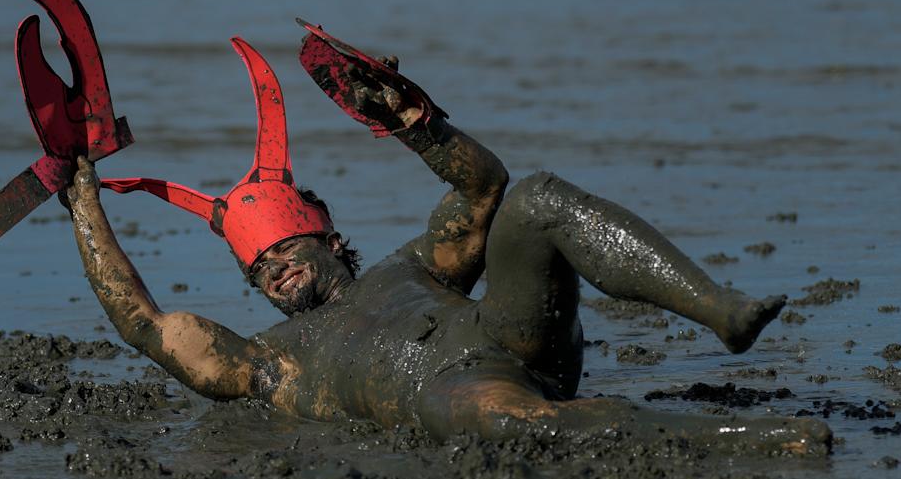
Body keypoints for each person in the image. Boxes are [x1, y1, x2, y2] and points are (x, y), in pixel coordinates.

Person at [63, 26, 830, 454]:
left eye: (284, 251)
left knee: (534, 198)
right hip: (453, 394)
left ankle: (720, 310)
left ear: (325, 235)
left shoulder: (411, 266)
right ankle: (755, 437)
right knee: (509, 419)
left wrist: (417, 126)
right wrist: (82, 195)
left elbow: (483, 191)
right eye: (258, 268)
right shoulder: (273, 363)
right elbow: (143, 323)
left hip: (512, 336)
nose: (273, 270)